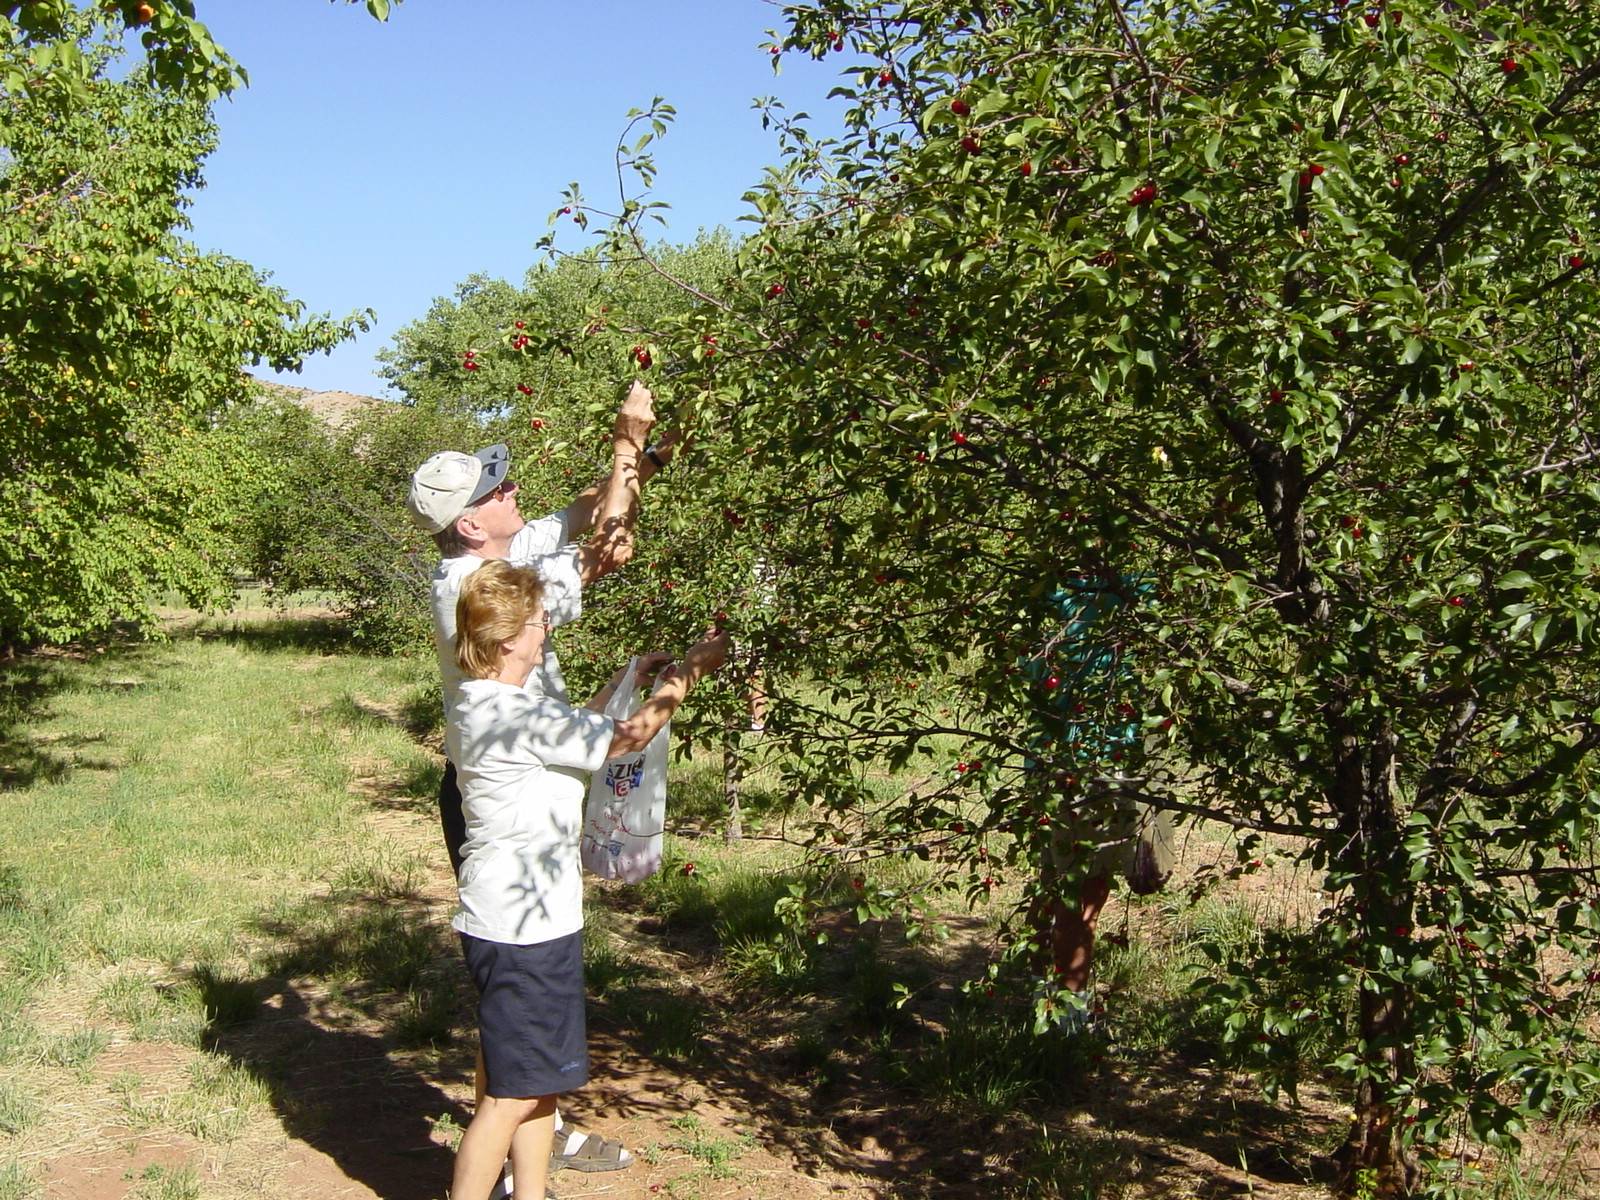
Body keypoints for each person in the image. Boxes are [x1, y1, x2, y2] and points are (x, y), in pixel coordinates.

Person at [406, 381, 676, 1182]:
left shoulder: (492, 557)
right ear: (469, 522)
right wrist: (626, 442)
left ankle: (528, 1145)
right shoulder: (476, 592)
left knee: (523, 1003)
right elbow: (602, 549)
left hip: (524, 771)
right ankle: (514, 1128)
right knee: (520, 975)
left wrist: (647, 456)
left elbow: (590, 514)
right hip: (506, 795)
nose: (515, 490)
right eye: (499, 490)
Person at [445, 560, 729, 1200]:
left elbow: (578, 728)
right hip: (523, 932)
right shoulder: (511, 716)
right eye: (539, 620)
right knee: (509, 1097)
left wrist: (626, 679)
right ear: (507, 638)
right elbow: (625, 739)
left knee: (531, 1081)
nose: (547, 628)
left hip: (519, 918)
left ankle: (531, 1192)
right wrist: (688, 674)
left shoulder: (489, 703)